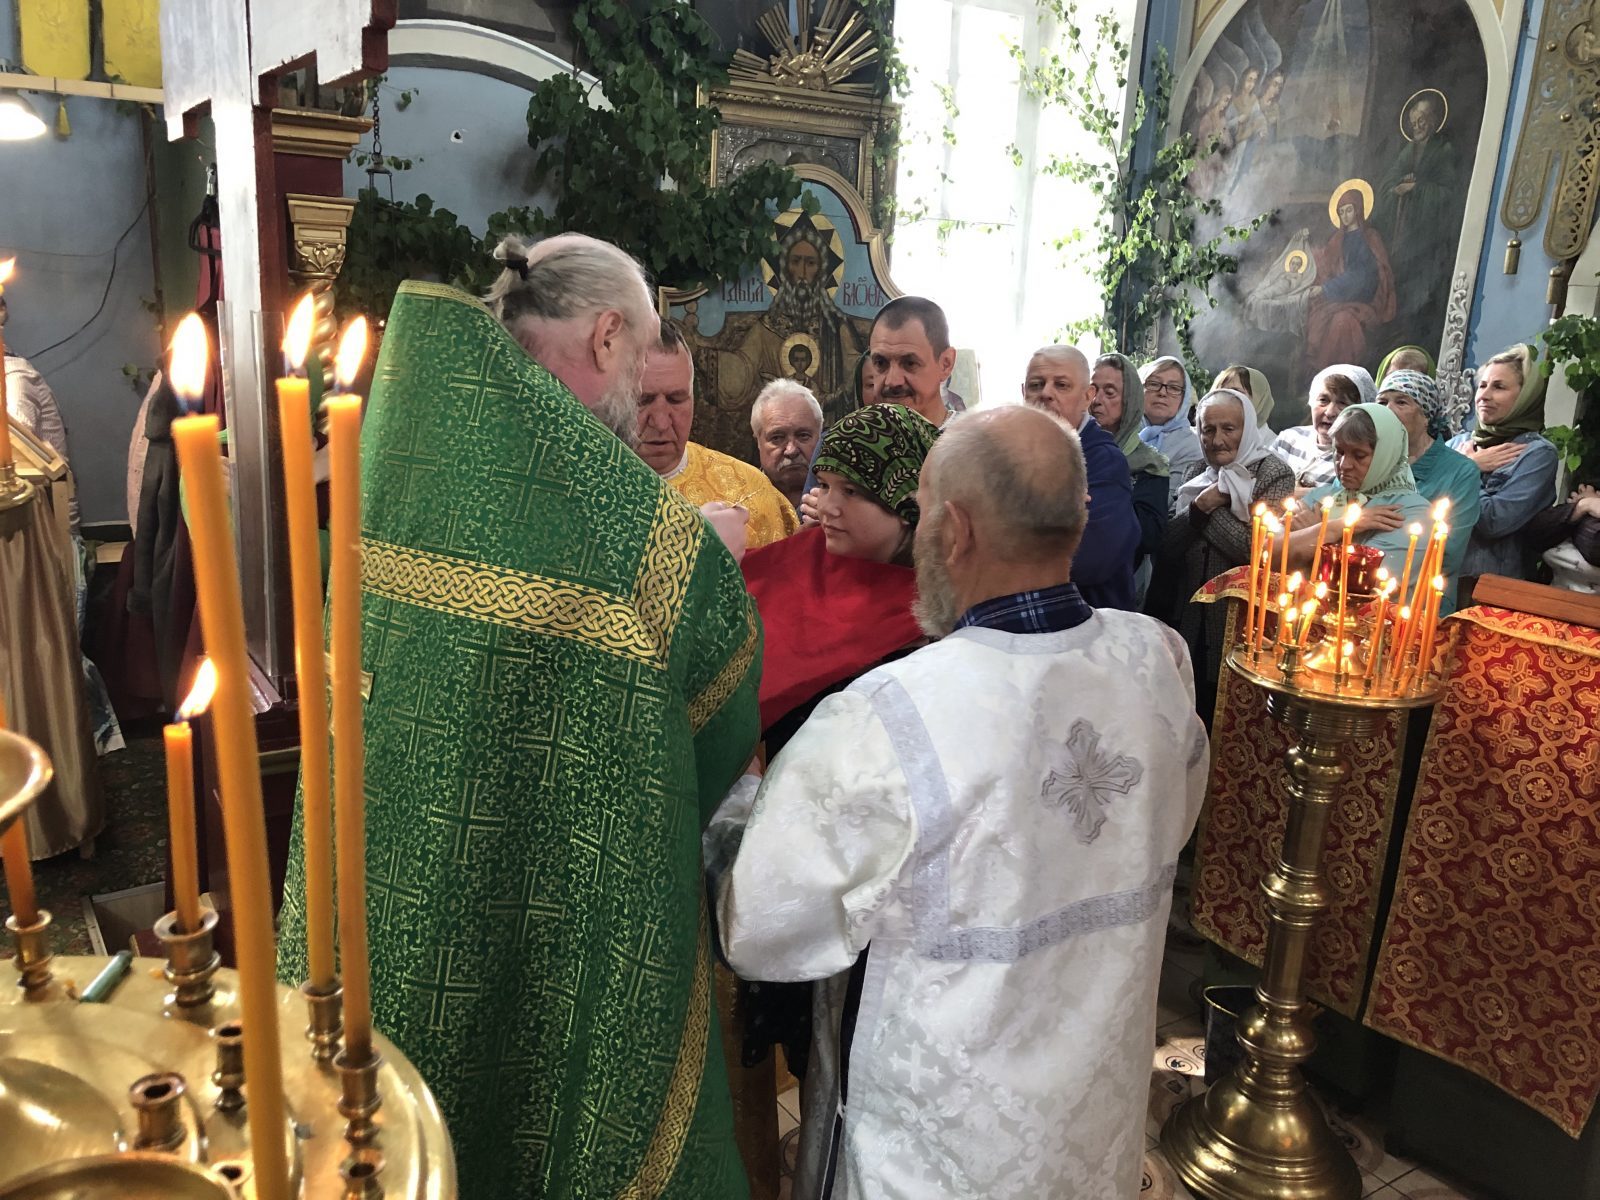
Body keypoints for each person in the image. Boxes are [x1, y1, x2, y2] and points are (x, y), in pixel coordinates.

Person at [278, 233, 762, 1199]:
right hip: (549, 907)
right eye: (643, 354)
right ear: (609, 335)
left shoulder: (401, 451)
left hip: (375, 883)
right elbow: (717, 716)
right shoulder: (624, 525)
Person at [707, 405, 1210, 1200]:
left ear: (957, 530)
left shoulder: (888, 717)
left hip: (934, 1148)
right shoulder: (1157, 661)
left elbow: (766, 930)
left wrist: (736, 803)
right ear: (1077, 518)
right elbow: (1171, 823)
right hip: (1094, 1119)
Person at [1146, 388, 1293, 720]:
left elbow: (1254, 550)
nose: (1217, 439)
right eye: (1208, 429)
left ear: (1248, 428)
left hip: (1239, 625)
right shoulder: (1196, 471)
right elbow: (1167, 546)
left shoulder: (1273, 473)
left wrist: (1206, 512)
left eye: (1229, 428)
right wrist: (1202, 504)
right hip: (1186, 614)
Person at [638, 319, 800, 550]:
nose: (662, 423)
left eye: (676, 399)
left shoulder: (752, 493)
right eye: (642, 401)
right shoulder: (584, 490)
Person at [1022, 345, 1140, 610]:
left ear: (1088, 397)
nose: (1046, 393)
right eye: (1036, 385)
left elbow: (1089, 560)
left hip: (1087, 618)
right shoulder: (1010, 454)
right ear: (1023, 393)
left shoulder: (1103, 461)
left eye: (1061, 385)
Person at [1448, 344, 1560, 589]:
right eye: (1482, 385)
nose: (1484, 396)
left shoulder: (1537, 454)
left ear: (1525, 396)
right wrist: (1467, 465)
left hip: (1489, 587)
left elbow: (1494, 522)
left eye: (1499, 387)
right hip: (1437, 574)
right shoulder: (1458, 444)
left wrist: (1465, 471)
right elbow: (1422, 505)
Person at [1297, 404, 1436, 599]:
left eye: (1359, 455)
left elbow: (1360, 586)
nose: (1344, 465)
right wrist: (1333, 529)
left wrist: (1311, 537)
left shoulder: (1412, 511)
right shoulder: (1324, 496)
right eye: (1339, 451)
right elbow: (1266, 554)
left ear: (1386, 455)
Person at [1376, 369, 1480, 609]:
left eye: (1401, 402)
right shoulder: (1366, 459)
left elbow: (1446, 553)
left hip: (1420, 604)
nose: (1388, 410)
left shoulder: (1460, 472)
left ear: (1426, 416)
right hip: (1358, 588)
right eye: (1382, 402)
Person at [1090, 352, 1171, 580]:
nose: (1096, 400)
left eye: (1109, 393)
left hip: (1119, 579)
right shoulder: (1072, 450)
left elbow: (1148, 536)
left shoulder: (1149, 464)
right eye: (1092, 390)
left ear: (1129, 400)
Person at [1304, 188, 1396, 370]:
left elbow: (1364, 277)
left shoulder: (1369, 238)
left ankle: (1339, 374)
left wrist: (1326, 289)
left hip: (1363, 301)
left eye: (1348, 210)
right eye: (1341, 212)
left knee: (1342, 322)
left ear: (1358, 209)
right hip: (1336, 299)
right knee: (1317, 318)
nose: (1345, 216)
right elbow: (1325, 267)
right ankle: (1320, 374)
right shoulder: (1337, 239)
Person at [1269, 364, 1375, 491]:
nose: (1330, 412)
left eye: (1342, 403)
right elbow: (1260, 483)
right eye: (1323, 400)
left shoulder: (1353, 457)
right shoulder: (1288, 439)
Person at [867, 296, 957, 428]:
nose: (892, 381)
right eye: (881, 363)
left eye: (909, 363)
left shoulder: (976, 440)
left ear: (945, 364)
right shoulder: (855, 439)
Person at [1139, 355, 1204, 510]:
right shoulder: (1123, 431)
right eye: (1154, 384)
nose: (1162, 392)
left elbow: (1166, 503)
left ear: (1184, 398)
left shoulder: (1191, 447)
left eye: (1174, 388)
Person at [750, 378, 823, 510]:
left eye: (803, 435)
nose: (791, 450)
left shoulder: (844, 503)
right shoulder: (737, 502)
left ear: (820, 438)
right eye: (777, 438)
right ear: (758, 442)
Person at [1524, 484, 1600, 593]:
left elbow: (1595, 546)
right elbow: (1535, 533)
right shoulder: (1590, 489)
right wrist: (1581, 506)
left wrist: (1586, 507)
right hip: (1547, 594)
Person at [1210, 363, 1276, 433]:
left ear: (1259, 400)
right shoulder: (1204, 435)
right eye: (1221, 392)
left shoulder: (1273, 440)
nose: (1225, 398)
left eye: (1235, 392)